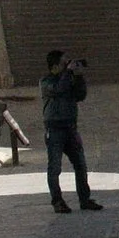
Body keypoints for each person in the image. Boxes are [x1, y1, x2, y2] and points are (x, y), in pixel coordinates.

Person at [40, 49, 100, 212]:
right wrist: (68, 73)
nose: (67, 65)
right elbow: (58, 89)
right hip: (54, 129)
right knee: (55, 167)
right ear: (55, 66)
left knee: (80, 165)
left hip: (70, 128)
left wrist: (79, 76)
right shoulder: (46, 81)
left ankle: (85, 199)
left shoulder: (68, 79)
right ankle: (57, 201)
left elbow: (80, 95)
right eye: (64, 63)